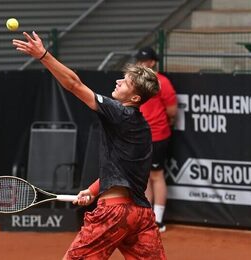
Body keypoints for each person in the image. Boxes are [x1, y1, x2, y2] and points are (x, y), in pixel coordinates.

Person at [13, 31, 166, 260]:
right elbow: (122, 170)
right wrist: (94, 190)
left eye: (125, 82)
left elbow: (74, 84)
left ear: (134, 98)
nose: (118, 81)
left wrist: (43, 55)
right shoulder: (142, 128)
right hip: (140, 216)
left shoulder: (119, 112)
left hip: (113, 214)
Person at [134, 47, 177, 233]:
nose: (143, 64)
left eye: (146, 61)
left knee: (156, 175)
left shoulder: (162, 82)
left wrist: (165, 123)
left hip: (158, 135)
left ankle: (158, 220)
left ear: (153, 62)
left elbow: (172, 111)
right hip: (138, 135)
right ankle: (147, 218)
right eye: (140, 61)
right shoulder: (134, 81)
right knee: (144, 177)